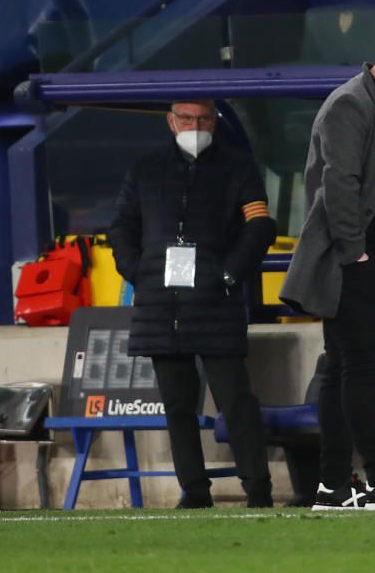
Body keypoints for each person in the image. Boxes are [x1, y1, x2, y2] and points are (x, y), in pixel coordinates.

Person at [279, 36, 375, 511]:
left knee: (339, 368)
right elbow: (339, 185)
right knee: (361, 365)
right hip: (347, 261)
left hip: (366, 255)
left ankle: (331, 485)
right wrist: (357, 253)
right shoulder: (349, 105)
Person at [108, 99, 276, 508]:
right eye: (186, 117)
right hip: (161, 307)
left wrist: (227, 274)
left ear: (215, 122)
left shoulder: (238, 166)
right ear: (171, 121)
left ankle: (258, 489)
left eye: (203, 118)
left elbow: (260, 226)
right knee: (177, 406)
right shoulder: (144, 168)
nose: (195, 124)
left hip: (216, 303)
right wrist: (139, 273)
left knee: (236, 401)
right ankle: (195, 491)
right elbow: (121, 228)